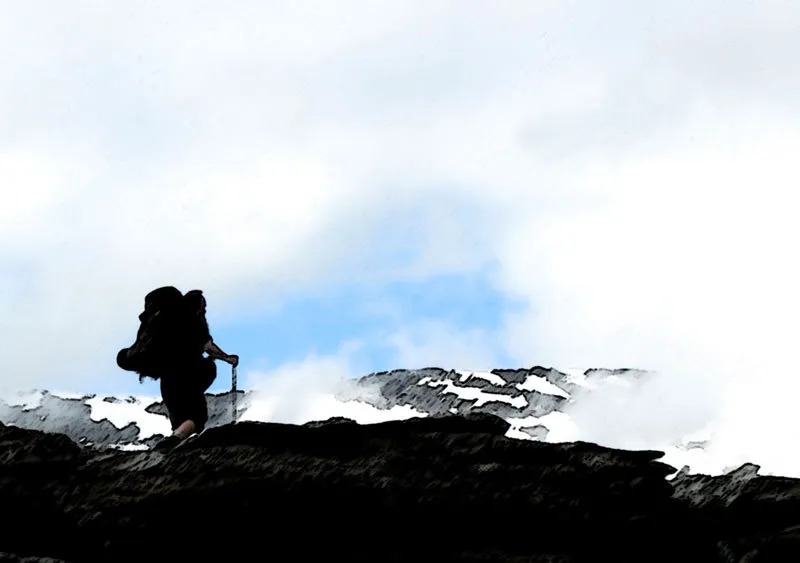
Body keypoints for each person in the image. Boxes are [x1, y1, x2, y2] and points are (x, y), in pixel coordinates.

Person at [117, 286, 239, 451]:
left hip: (166, 375)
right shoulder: (193, 320)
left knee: (179, 415)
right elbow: (208, 347)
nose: (205, 308)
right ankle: (175, 440)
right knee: (197, 416)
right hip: (190, 371)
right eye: (204, 305)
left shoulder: (161, 322)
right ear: (197, 304)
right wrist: (227, 358)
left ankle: (174, 441)